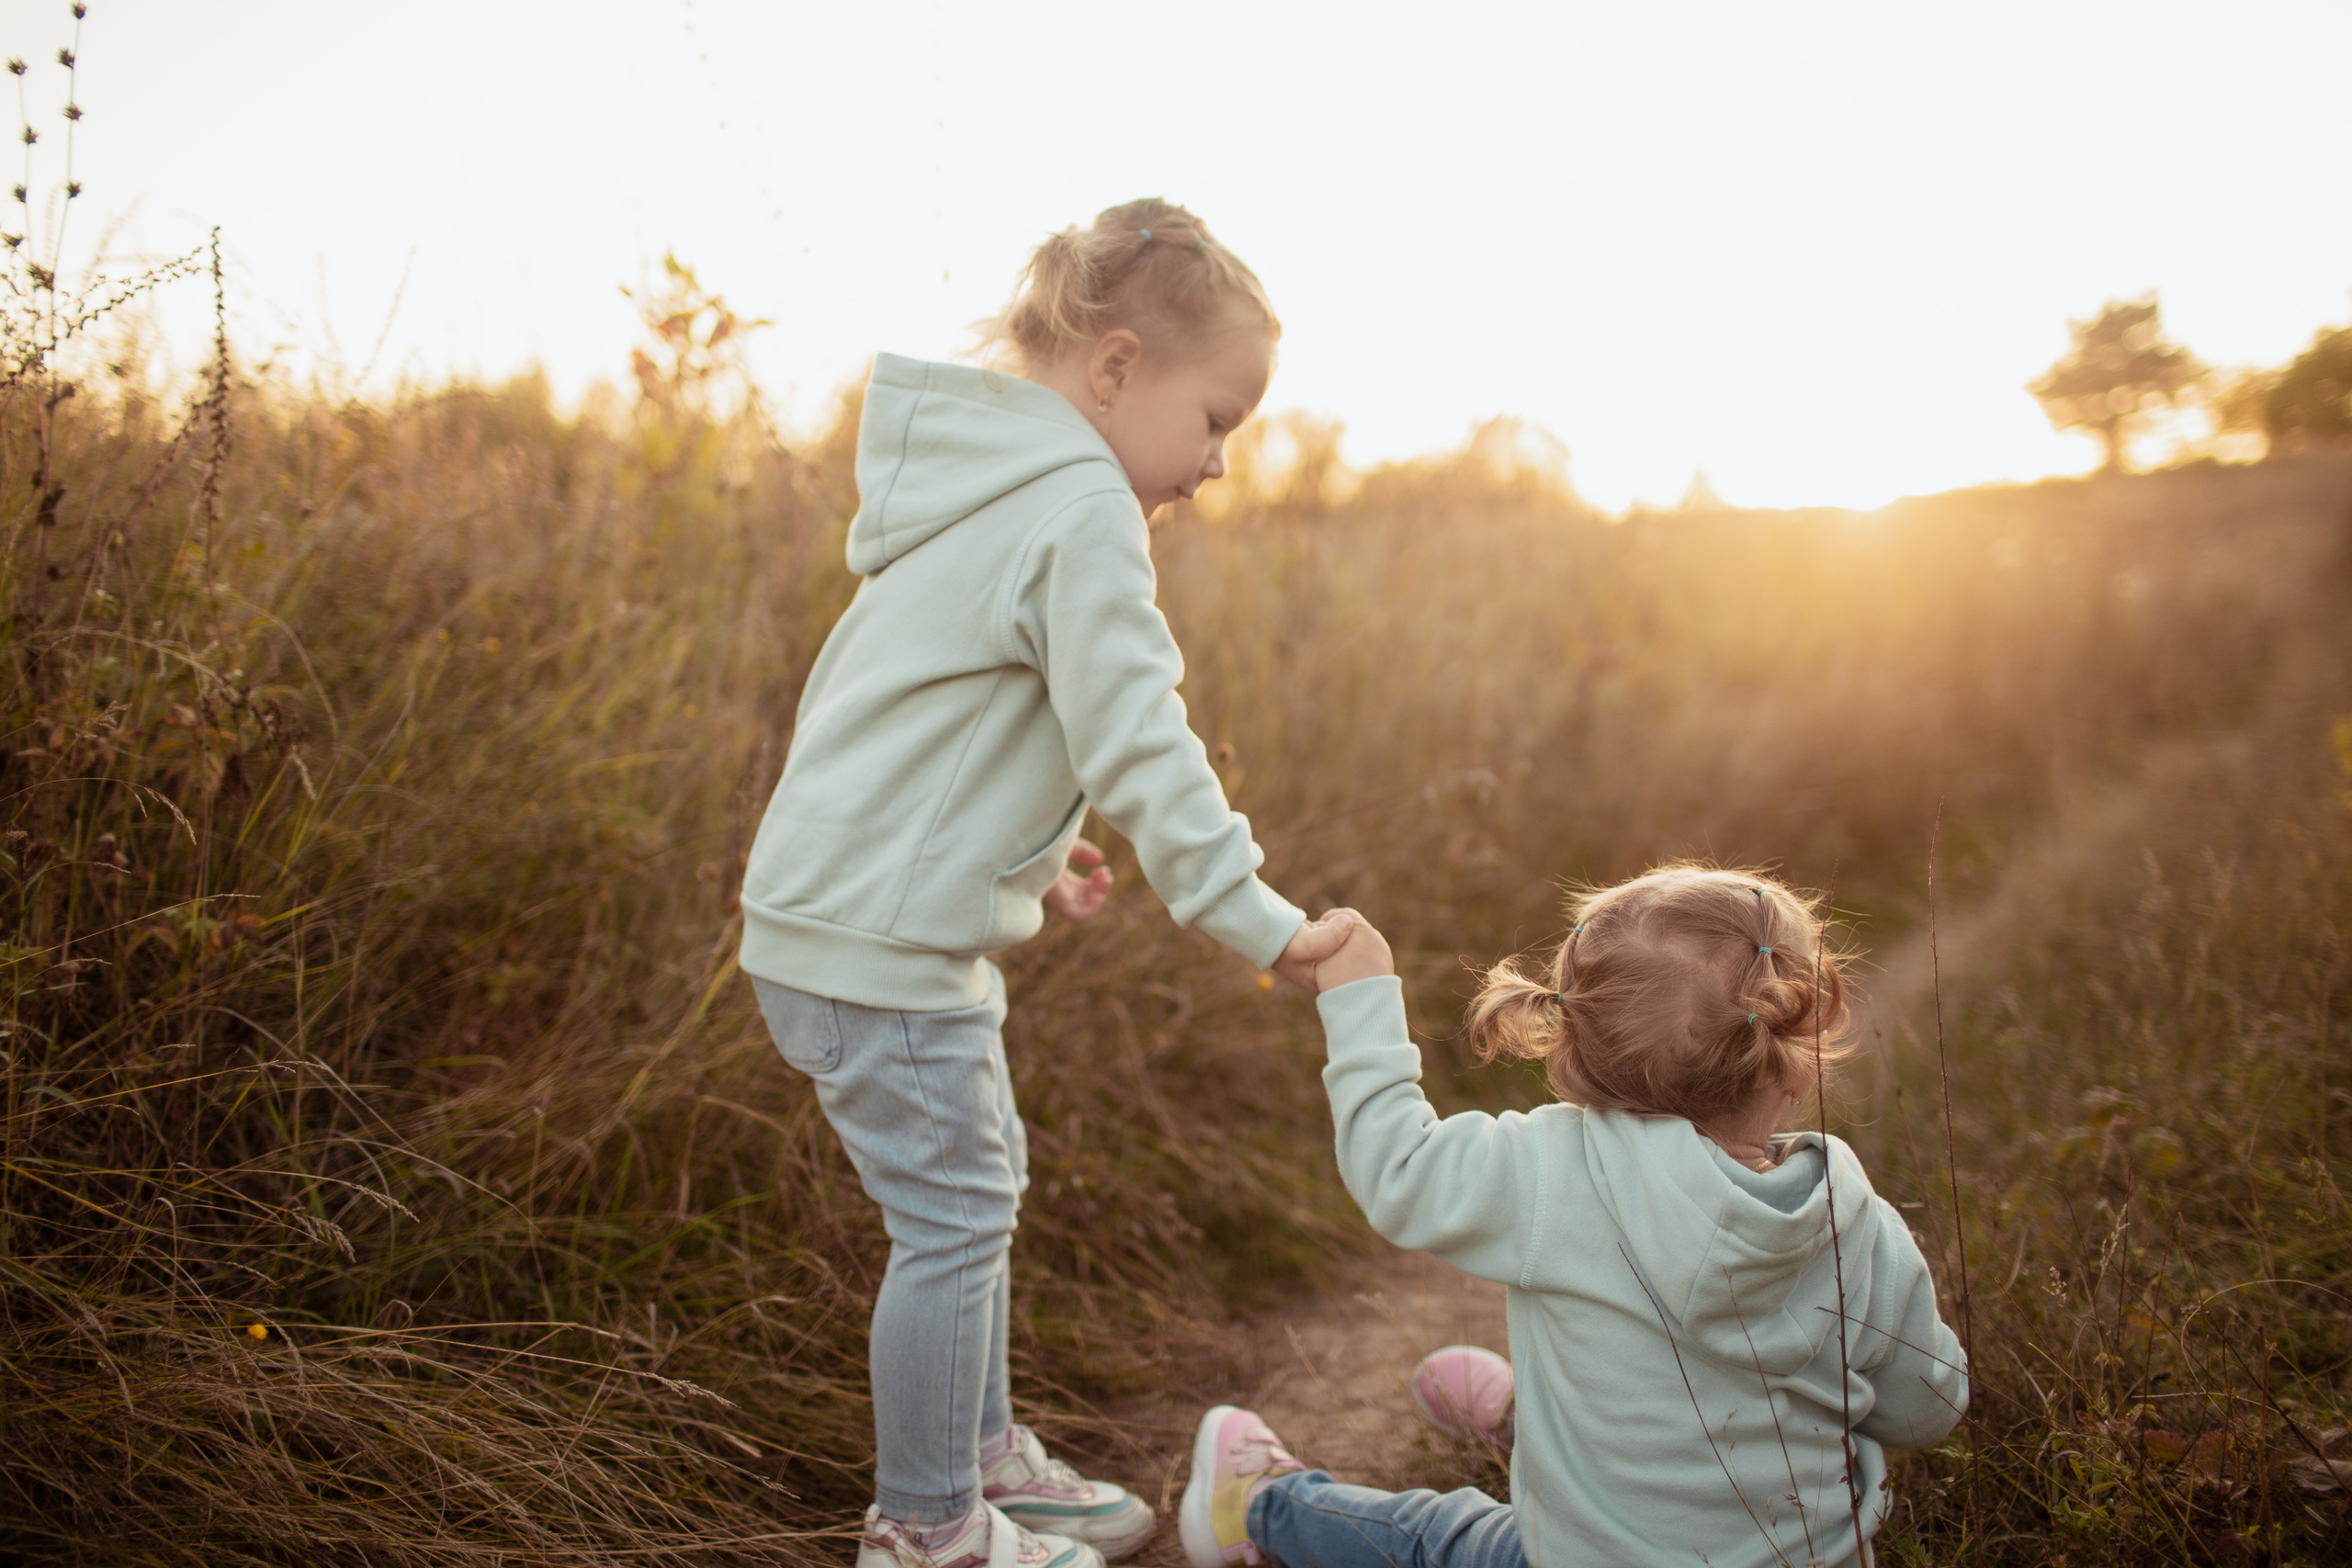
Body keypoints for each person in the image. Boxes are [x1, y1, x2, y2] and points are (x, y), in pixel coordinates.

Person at [741, 197, 1354, 1568]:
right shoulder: (1080, 505)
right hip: (875, 943)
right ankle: (926, 1523)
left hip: (856, 917)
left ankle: (979, 1452)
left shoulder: (991, 483)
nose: (1216, 463)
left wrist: (1020, 846)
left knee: (978, 1186)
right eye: (1218, 420)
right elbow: (1143, 737)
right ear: (1119, 367)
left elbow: (935, 708)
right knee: (953, 1214)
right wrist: (1259, 920)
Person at [1180, 864, 1968, 1568]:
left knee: (1446, 1538)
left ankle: (1257, 1504)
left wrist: (1358, 993)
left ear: (1571, 1048)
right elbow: (1927, 1408)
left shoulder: (1559, 1169)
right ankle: (1531, 1419)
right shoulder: (1852, 1220)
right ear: (1795, 1060)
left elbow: (1399, 1170)